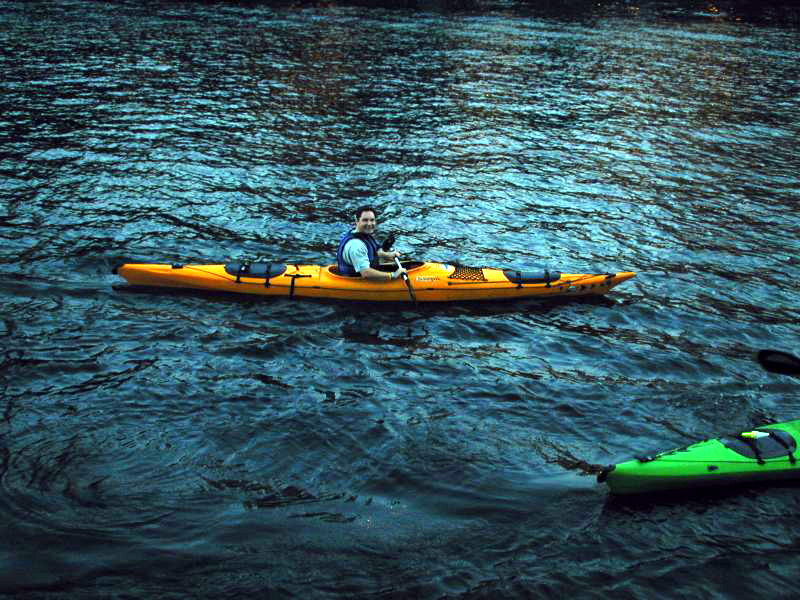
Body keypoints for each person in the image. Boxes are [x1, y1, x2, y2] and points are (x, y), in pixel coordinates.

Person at [336, 206, 407, 281]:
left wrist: (387, 255)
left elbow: (373, 252)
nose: (369, 224)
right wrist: (393, 275)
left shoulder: (362, 234)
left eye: (372, 220)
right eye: (365, 220)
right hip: (356, 280)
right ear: (357, 221)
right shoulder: (356, 245)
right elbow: (366, 273)